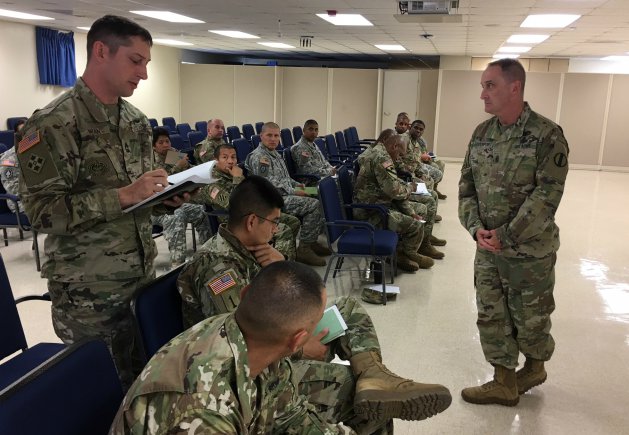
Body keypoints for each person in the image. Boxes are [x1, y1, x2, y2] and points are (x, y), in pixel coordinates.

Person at [177, 176, 452, 432]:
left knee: (348, 309)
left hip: (275, 338)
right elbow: (242, 342)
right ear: (251, 222)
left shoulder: (252, 250)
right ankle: (369, 384)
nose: (276, 229)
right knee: (358, 392)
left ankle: (375, 374)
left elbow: (288, 297)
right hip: (247, 375)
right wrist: (298, 346)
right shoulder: (217, 266)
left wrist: (281, 265)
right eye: (273, 222)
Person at [16, 15, 185, 389]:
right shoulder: (53, 124)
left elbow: (138, 199)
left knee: (141, 388)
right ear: (101, 51)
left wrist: (164, 199)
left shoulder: (136, 122)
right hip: (89, 292)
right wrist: (123, 195)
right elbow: (42, 214)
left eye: (146, 64)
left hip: (140, 280)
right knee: (100, 396)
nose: (143, 74)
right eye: (135, 60)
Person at [113, 262, 357, 433]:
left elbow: (289, 415)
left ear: (245, 292)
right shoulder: (203, 410)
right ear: (297, 340)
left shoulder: (253, 340)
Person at [458, 58, 569, 406]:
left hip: (529, 252)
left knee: (530, 315)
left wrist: (506, 234)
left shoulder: (546, 135)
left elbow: (547, 196)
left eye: (490, 85)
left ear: (514, 87)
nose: (483, 94)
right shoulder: (481, 134)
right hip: (488, 249)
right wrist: (475, 228)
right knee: (491, 313)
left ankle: (534, 368)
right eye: (482, 86)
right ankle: (503, 380)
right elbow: (466, 188)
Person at [193, 142, 299, 260]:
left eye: (233, 157)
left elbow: (252, 194)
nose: (230, 161)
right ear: (216, 160)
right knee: (284, 230)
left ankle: (270, 256)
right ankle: (279, 265)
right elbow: (234, 205)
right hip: (236, 222)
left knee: (293, 221)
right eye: (225, 157)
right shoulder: (211, 183)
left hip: (255, 214)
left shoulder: (233, 174)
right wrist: (237, 178)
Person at [245, 121, 329, 266]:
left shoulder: (275, 154)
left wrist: (298, 185)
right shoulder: (260, 157)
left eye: (276, 136)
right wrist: (295, 191)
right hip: (271, 200)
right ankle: (304, 249)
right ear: (261, 136)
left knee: (318, 192)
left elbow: (285, 178)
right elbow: (267, 183)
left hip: (287, 192)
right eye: (269, 135)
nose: (273, 139)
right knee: (314, 204)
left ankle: (311, 240)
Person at [354, 129, 434, 271]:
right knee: (414, 224)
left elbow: (395, 188)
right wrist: (410, 188)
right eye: (399, 154)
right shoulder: (382, 158)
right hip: (370, 212)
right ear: (394, 146)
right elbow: (394, 191)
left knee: (421, 210)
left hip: (382, 203)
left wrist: (409, 210)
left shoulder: (384, 153)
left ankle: (408, 250)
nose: (399, 159)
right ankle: (403, 254)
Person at [151, 127, 211, 267]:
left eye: (167, 141)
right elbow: (163, 185)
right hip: (157, 207)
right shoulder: (150, 160)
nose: (166, 145)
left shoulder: (172, 155)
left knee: (202, 212)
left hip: (178, 201)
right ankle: (178, 263)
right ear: (153, 146)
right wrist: (178, 166)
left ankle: (206, 253)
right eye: (161, 142)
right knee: (177, 215)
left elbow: (190, 169)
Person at [412, 119, 447, 200]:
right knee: (435, 168)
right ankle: (429, 193)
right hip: (416, 162)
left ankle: (435, 189)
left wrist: (429, 157)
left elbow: (425, 152)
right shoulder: (407, 139)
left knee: (440, 163)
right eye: (416, 128)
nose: (418, 131)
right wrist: (421, 157)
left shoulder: (422, 141)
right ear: (411, 127)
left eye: (421, 129)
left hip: (423, 160)